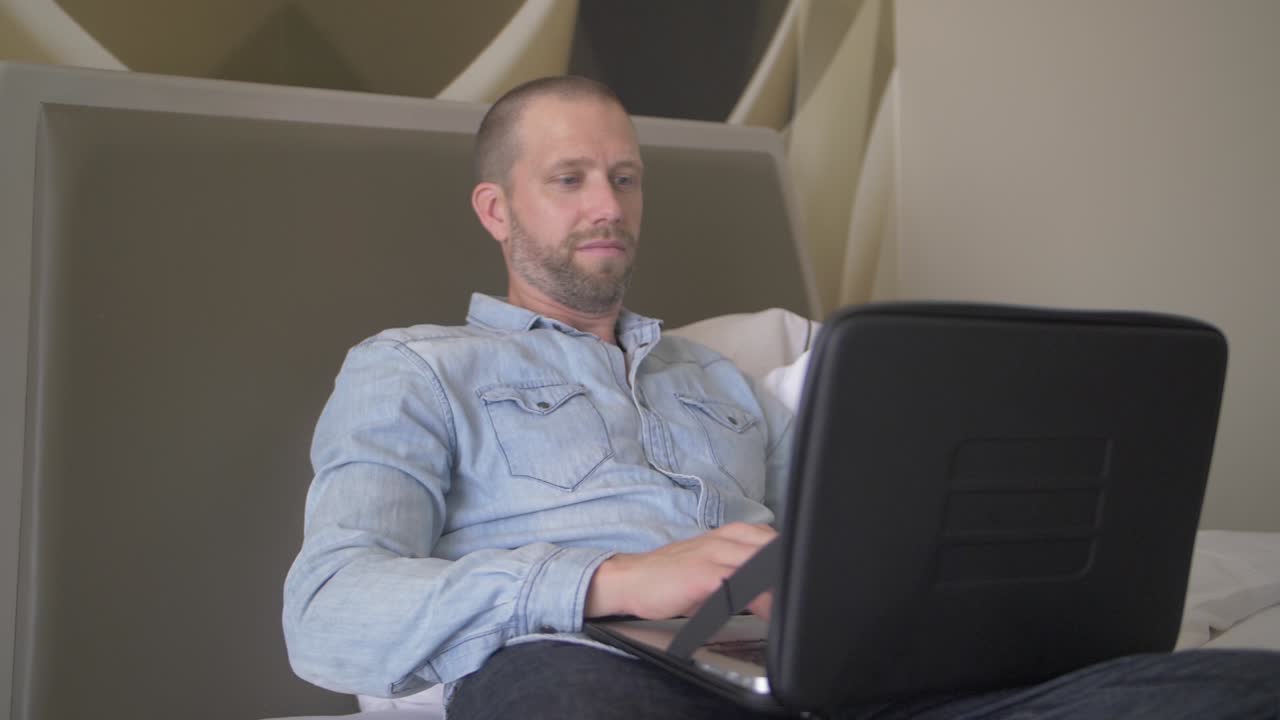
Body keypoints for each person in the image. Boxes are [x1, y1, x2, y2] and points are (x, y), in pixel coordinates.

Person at [283, 76, 1280, 719]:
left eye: (625, 179)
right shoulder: (415, 368)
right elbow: (327, 613)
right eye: (570, 178)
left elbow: (851, 538)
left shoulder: (714, 378)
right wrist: (615, 581)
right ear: (495, 209)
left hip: (803, 675)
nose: (607, 207)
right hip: (596, 673)